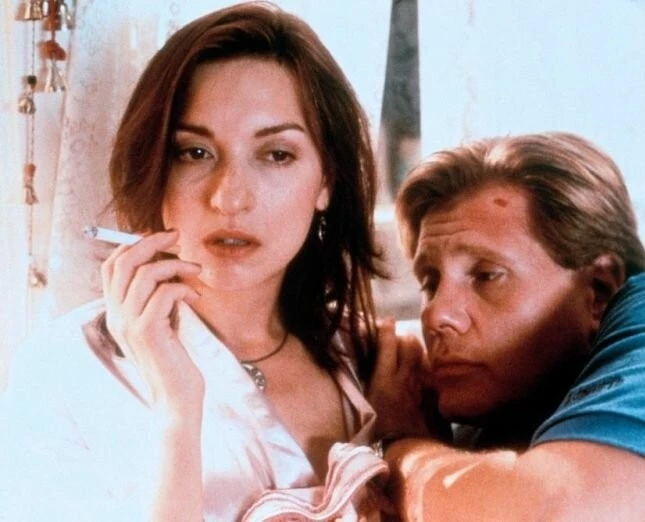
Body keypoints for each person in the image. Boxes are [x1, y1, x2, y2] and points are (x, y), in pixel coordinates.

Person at [0, 3, 393, 520]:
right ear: (156, 170)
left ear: (326, 181)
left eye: (276, 154)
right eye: (195, 153)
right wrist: (177, 413)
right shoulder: (64, 374)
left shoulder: (360, 356)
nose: (230, 197)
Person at [377, 132, 645, 520]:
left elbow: (563, 511)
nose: (437, 315)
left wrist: (401, 442)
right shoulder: (501, 410)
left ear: (599, 292)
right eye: (430, 283)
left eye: (486, 276)